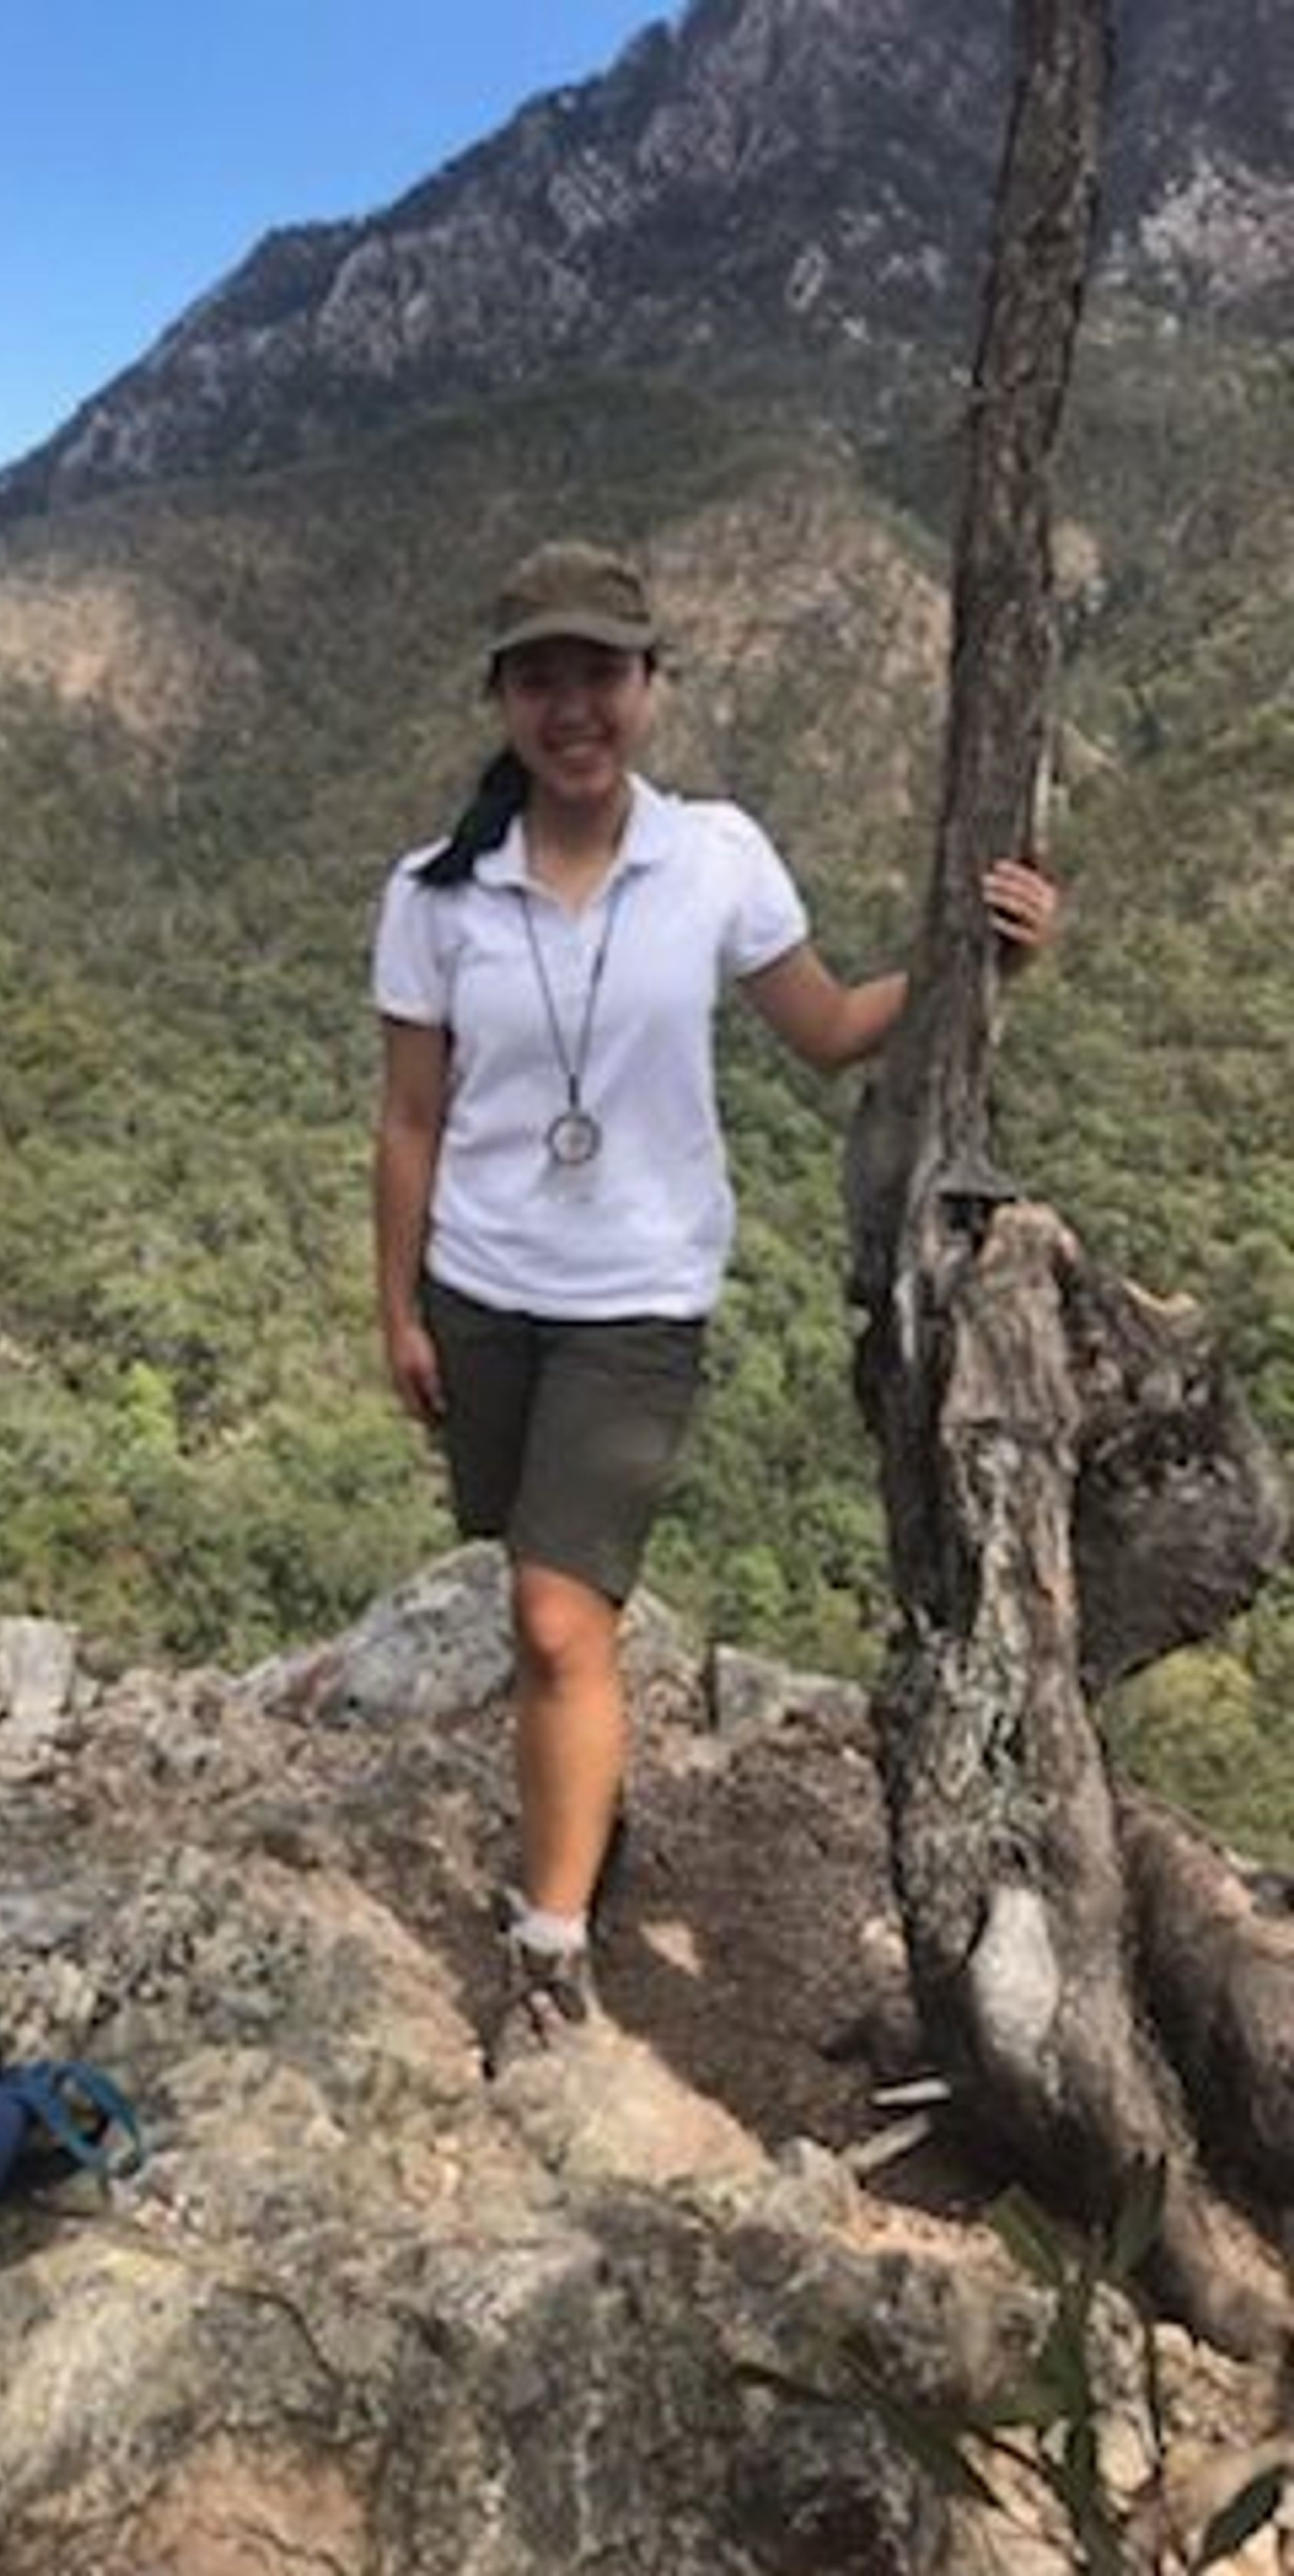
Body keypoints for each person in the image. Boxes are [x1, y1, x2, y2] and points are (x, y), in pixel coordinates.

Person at [369, 539, 1057, 2074]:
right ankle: (586, 1800)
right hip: (480, 1292)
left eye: (600, 674)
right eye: (540, 678)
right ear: (501, 700)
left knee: (554, 1617)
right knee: (541, 1591)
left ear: (649, 685)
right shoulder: (435, 893)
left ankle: (549, 1950)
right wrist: (397, 1307)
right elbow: (409, 1119)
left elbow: (826, 1026)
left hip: (636, 1299)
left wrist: (975, 959)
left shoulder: (716, 858)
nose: (573, 708)